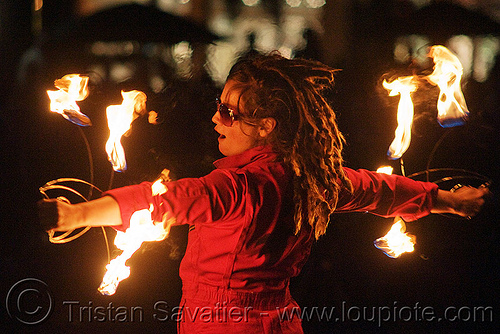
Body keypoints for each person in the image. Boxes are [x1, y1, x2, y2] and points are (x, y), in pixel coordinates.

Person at [39, 53, 490, 333]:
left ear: (265, 126)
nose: (217, 119)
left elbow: (159, 200)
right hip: (278, 321)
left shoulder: (239, 187)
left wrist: (77, 216)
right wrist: (447, 199)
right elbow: (378, 189)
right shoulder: (317, 178)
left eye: (228, 112)